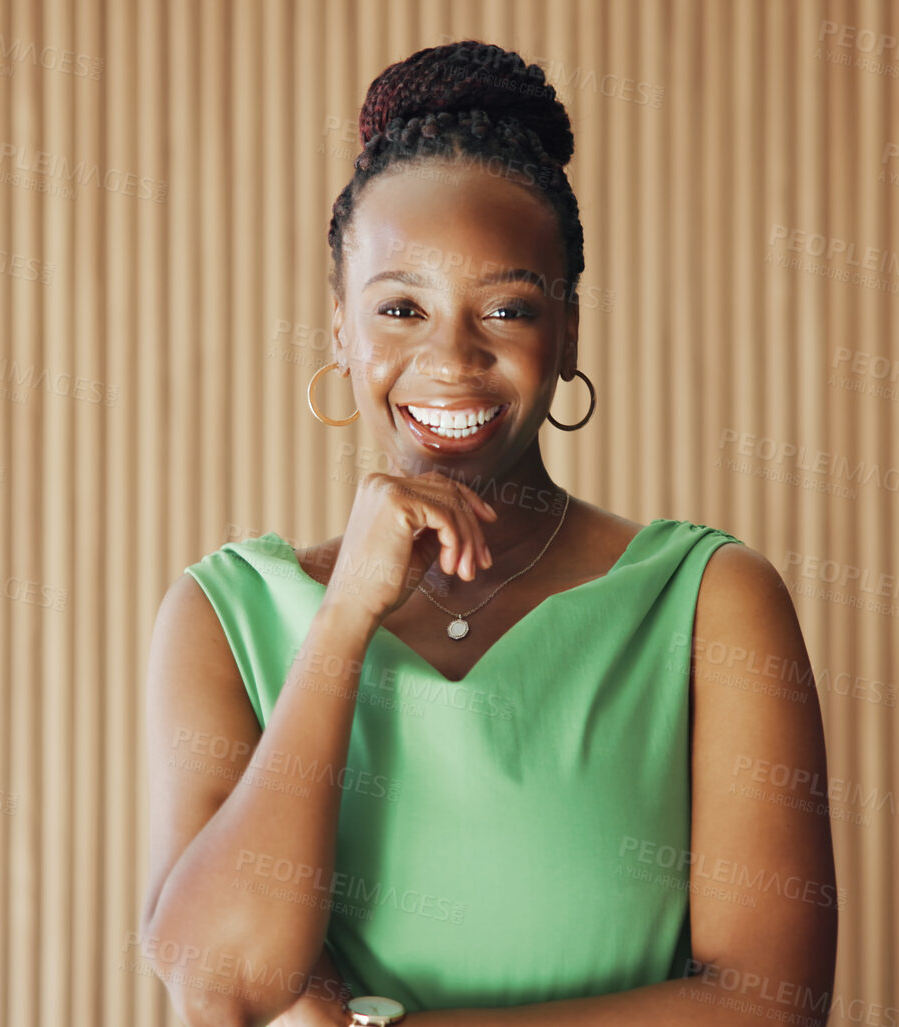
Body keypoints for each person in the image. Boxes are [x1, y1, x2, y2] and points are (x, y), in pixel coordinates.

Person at [140, 39, 836, 1026]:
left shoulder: (710, 600)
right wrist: (342, 620)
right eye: (401, 309)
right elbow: (221, 983)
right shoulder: (225, 616)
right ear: (339, 330)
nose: (452, 359)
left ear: (569, 331)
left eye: (505, 307)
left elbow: (769, 1008)